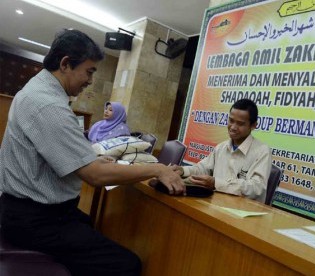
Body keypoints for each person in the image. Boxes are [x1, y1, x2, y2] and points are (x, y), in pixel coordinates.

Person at [0, 29, 185, 276]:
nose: (90, 80)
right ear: (65, 64)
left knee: (89, 224)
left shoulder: (36, 89)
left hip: (24, 211)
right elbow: (95, 176)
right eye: (89, 71)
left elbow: (48, 153)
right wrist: (157, 168)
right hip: (35, 220)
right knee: (127, 264)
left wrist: (90, 159)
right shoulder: (48, 106)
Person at [173, 99, 272, 202]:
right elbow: (203, 168)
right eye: (231, 120)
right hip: (216, 205)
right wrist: (182, 170)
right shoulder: (221, 147)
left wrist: (216, 183)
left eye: (240, 124)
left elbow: (256, 188)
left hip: (242, 211)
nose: (233, 127)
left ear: (253, 125)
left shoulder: (262, 151)